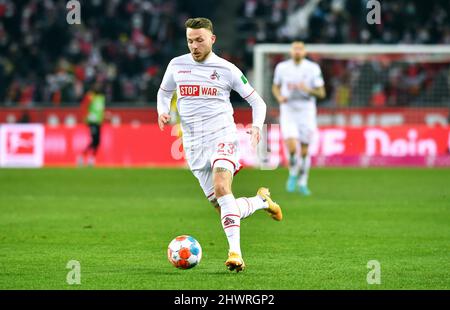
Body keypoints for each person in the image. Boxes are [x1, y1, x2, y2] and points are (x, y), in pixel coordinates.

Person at [157, 17, 282, 272]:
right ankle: (261, 201)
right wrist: (162, 111)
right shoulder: (176, 65)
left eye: (199, 40)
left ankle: (235, 254)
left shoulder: (227, 70)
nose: (194, 45)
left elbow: (258, 103)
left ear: (212, 39)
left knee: (222, 187)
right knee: (223, 206)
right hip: (192, 145)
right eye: (190, 40)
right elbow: (164, 92)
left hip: (223, 136)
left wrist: (257, 127)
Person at [272, 42, 326, 195]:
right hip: (288, 109)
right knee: (291, 146)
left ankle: (302, 181)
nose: (297, 51)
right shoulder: (282, 67)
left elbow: (321, 93)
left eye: (300, 49)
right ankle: (292, 173)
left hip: (306, 110)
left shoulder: (312, 68)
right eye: (294, 49)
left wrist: (307, 89)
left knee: (304, 151)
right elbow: (275, 86)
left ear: (304, 51)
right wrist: (279, 97)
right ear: (290, 51)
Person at [78, 82, 106, 166]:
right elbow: (84, 106)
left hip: (98, 121)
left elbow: (100, 110)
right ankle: (83, 156)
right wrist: (85, 117)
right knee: (94, 140)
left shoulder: (101, 98)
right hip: (92, 121)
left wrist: (105, 116)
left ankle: (91, 158)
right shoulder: (90, 96)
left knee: (97, 142)